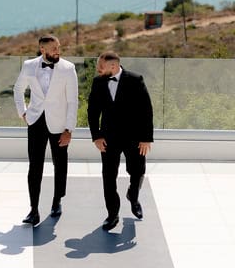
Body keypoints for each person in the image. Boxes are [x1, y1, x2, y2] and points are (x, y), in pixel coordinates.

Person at [13, 34, 78, 226]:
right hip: (35, 122)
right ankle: (34, 210)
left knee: (60, 164)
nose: (58, 51)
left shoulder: (68, 68)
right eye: (54, 48)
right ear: (42, 49)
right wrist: (23, 113)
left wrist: (69, 129)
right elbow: (18, 89)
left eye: (59, 47)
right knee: (35, 167)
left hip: (59, 125)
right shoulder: (29, 65)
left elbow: (72, 101)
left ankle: (57, 200)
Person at [87, 51, 154, 231]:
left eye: (101, 66)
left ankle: (133, 196)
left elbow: (146, 110)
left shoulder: (135, 79)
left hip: (135, 137)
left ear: (113, 66)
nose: (98, 69)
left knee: (138, 171)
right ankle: (112, 214)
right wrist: (96, 136)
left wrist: (146, 138)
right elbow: (92, 112)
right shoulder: (98, 82)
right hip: (108, 138)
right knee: (108, 177)